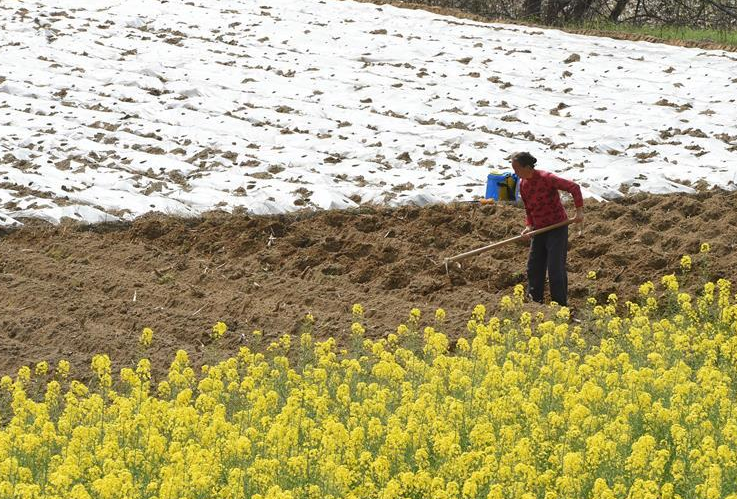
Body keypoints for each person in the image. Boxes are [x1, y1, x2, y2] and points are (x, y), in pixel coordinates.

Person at [511, 152, 584, 307]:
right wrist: (528, 226)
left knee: (555, 267)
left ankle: (560, 305)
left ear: (527, 167)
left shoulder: (546, 178)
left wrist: (579, 212)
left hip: (557, 227)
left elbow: (574, 187)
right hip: (539, 229)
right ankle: (534, 302)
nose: (514, 172)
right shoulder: (523, 184)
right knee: (534, 266)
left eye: (516, 169)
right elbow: (528, 209)